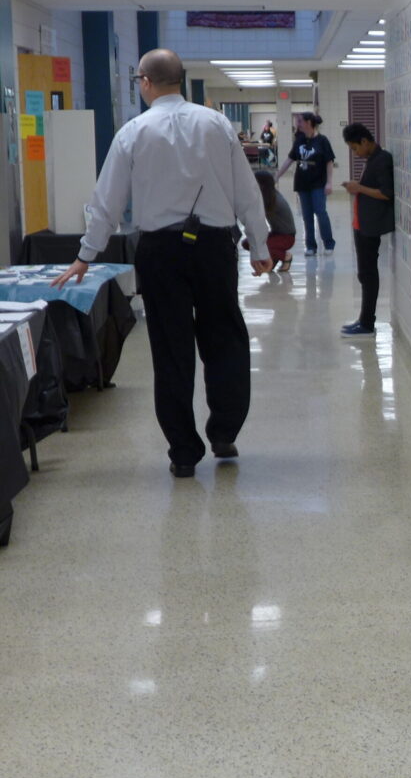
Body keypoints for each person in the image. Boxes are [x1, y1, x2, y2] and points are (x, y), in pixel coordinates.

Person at [51, 48, 271, 477]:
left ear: (144, 82)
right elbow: (247, 191)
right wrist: (259, 246)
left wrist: (85, 256)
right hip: (214, 248)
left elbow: (106, 202)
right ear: (181, 80)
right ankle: (224, 431)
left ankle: (184, 454)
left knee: (171, 351)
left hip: (159, 252)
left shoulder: (133, 132)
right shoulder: (217, 124)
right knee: (225, 338)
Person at [339, 122, 394, 336]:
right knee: (363, 274)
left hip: (371, 227)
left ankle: (367, 324)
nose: (356, 153)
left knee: (368, 274)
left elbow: (387, 193)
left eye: (355, 148)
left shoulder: (382, 160)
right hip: (361, 224)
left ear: (364, 141)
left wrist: (358, 187)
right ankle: (363, 319)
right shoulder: (372, 159)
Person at [276, 111, 336, 256]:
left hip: (318, 183)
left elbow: (329, 162)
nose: (298, 124)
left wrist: (329, 183)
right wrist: (276, 176)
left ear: (309, 123)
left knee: (320, 212)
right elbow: (290, 159)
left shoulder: (322, 141)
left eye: (300, 121)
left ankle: (328, 243)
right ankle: (311, 246)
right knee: (306, 215)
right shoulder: (300, 140)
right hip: (302, 183)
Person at [250, 170, 296, 272]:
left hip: (287, 237)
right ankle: (274, 258)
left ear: (262, 184)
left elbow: (258, 221)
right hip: (277, 234)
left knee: (258, 245)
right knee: (248, 243)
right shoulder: (268, 196)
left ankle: (285, 256)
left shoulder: (274, 200)